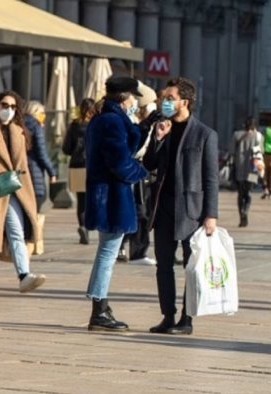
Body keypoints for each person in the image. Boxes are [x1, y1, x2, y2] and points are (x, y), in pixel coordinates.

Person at [143, 77, 219, 335]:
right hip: (163, 209)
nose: (164, 102)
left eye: (170, 98)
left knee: (191, 268)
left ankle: (187, 319)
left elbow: (211, 178)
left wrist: (211, 215)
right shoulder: (162, 128)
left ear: (184, 102)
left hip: (191, 211)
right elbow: (149, 164)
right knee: (163, 265)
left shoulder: (205, 134)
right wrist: (157, 138)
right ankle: (167, 316)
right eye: (164, 98)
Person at [84, 77, 149, 331]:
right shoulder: (112, 121)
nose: (135, 102)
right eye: (133, 97)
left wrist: (145, 126)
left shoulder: (106, 119)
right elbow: (120, 162)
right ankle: (99, 310)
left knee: (107, 252)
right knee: (108, 253)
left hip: (107, 196)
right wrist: (143, 172)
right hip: (111, 198)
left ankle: (100, 304)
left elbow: (126, 146)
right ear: (124, 98)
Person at [0, 91, 46, 293]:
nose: (8, 110)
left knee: (16, 232)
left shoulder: (19, 131)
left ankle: (24, 275)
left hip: (13, 190)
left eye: (13, 107)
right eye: (4, 105)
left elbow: (23, 165)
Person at [117, 81, 158, 266]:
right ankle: (135, 251)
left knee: (141, 212)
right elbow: (137, 148)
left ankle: (131, 249)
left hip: (142, 172)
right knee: (139, 212)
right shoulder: (132, 122)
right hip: (134, 171)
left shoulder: (141, 122)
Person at [63, 98, 96, 245]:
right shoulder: (96, 125)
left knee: (80, 200)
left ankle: (82, 226)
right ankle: (88, 225)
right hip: (92, 165)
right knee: (92, 198)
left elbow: (66, 148)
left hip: (76, 165)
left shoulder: (74, 125)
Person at [25, 101, 58, 211]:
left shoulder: (17, 124)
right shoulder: (36, 126)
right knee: (35, 208)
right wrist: (52, 172)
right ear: (35, 112)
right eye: (42, 112)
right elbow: (41, 153)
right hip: (34, 171)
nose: (44, 115)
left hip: (20, 170)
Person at [231, 116, 262, 228]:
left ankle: (241, 215)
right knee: (248, 192)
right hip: (252, 168)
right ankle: (246, 210)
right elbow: (260, 153)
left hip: (239, 166)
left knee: (240, 193)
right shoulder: (258, 136)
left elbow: (232, 151)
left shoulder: (236, 135)